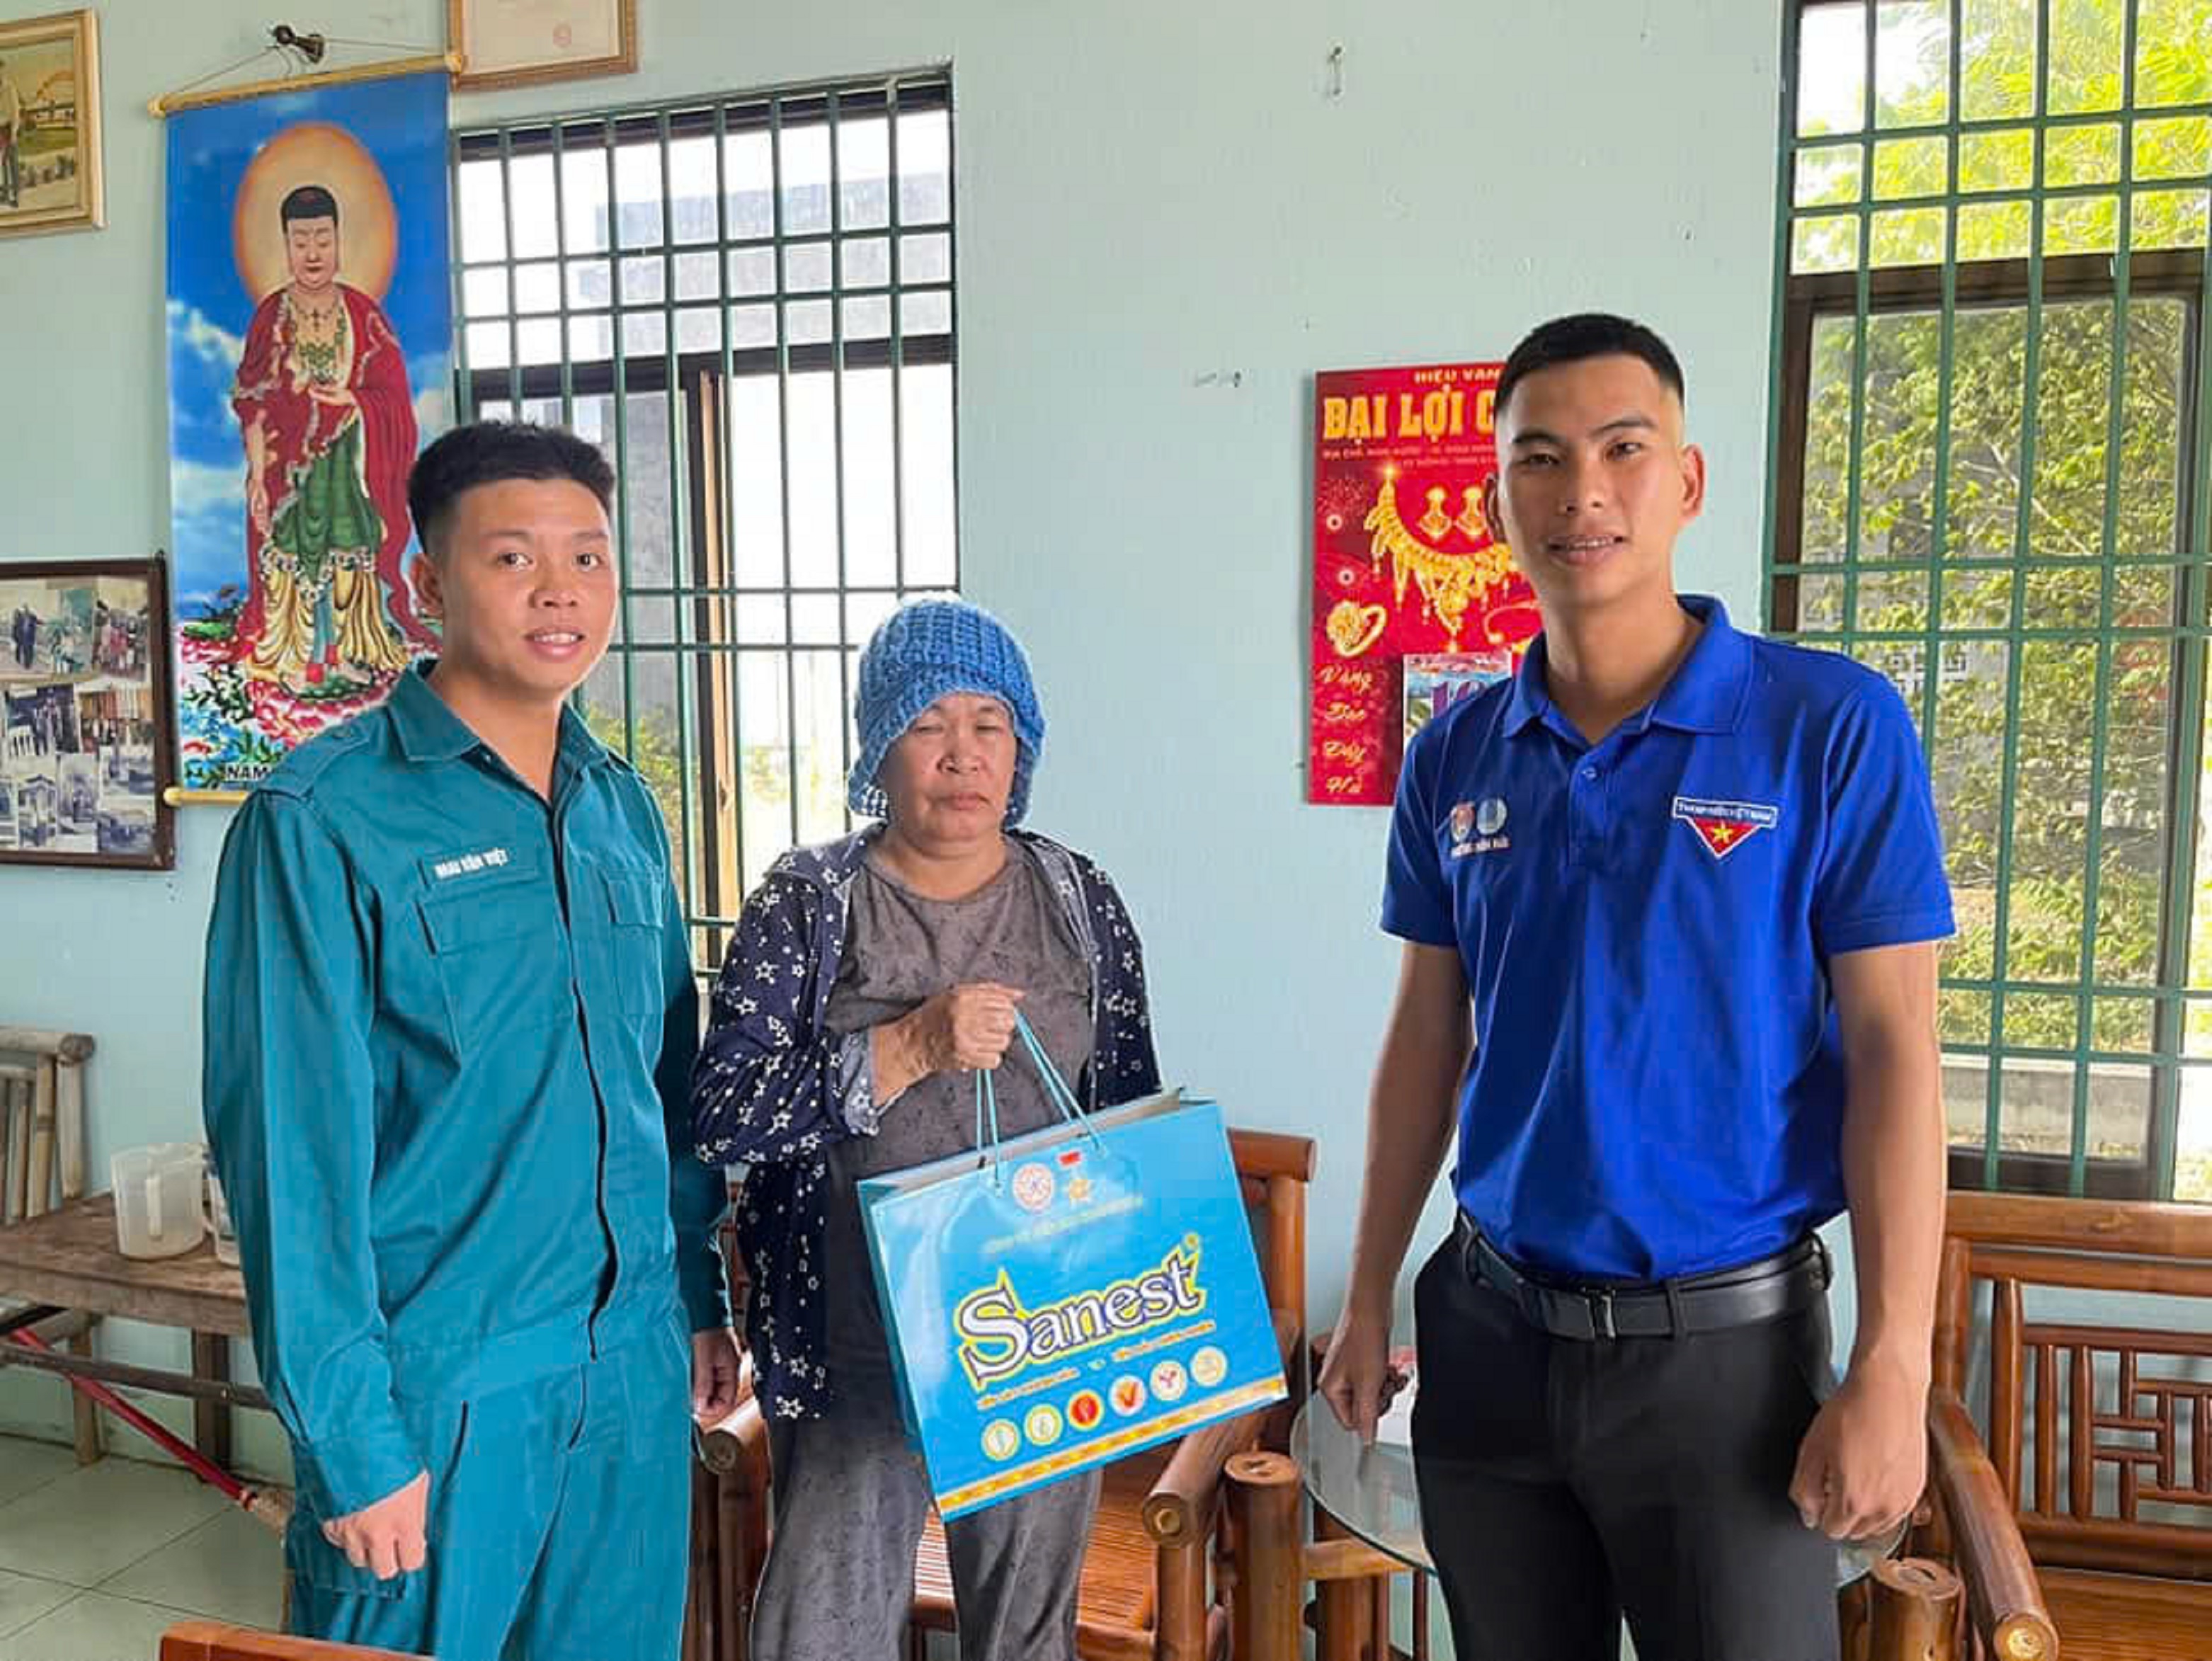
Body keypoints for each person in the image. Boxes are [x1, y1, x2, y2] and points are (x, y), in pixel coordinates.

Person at [1318, 314, 1953, 1661]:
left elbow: (1896, 1051)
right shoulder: (1454, 754)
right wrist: (1370, 1283)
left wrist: (1892, 1358)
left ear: (1686, 480)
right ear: (1494, 499)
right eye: (1537, 458)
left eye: (1621, 448)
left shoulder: (1826, 727)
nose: (1580, 491)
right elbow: (1426, 1036)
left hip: (1724, 1360)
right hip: (1487, 1340)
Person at [203, 420, 736, 1661]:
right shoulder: (323, 818)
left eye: (590, 558)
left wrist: (696, 1305)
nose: (561, 590)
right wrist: (353, 1442)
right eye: (512, 558)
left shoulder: (621, 812)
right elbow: (292, 1161)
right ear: (425, 585)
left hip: (628, 1367)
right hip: (438, 1390)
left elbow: (663, 1086)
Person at [692, 598, 1161, 1661]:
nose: (961, 754)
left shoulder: (1078, 896)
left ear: (1022, 748)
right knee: (823, 1634)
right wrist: (904, 1048)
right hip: (855, 1344)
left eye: (989, 723)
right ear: (878, 748)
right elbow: (723, 1109)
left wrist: (1145, 1317)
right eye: (926, 723)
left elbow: (1129, 1106)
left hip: (1044, 1336)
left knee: (1026, 1638)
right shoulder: (809, 903)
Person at [231, 183, 435, 695]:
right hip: (289, 471)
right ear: (285, 245)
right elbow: (253, 404)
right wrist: (257, 476)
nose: (313, 252)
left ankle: (342, 653)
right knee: (298, 555)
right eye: (301, 241)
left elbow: (392, 397)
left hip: (350, 460)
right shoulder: (271, 316)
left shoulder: (363, 315)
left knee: (348, 548)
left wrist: (353, 401)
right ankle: (299, 658)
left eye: (323, 237)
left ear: (340, 239)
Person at [0, 60, 21, 211]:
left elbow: (15, 111)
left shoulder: (10, 88)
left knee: (12, 162)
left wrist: (14, 131)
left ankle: (16, 196)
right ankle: (5, 194)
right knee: (2, 163)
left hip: (8, 128)